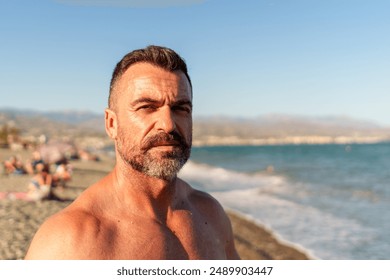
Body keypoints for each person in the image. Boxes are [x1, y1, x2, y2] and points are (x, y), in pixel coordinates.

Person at [25, 45, 240, 260]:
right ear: (111, 124)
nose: (168, 124)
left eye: (181, 108)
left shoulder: (211, 214)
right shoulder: (67, 241)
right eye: (146, 107)